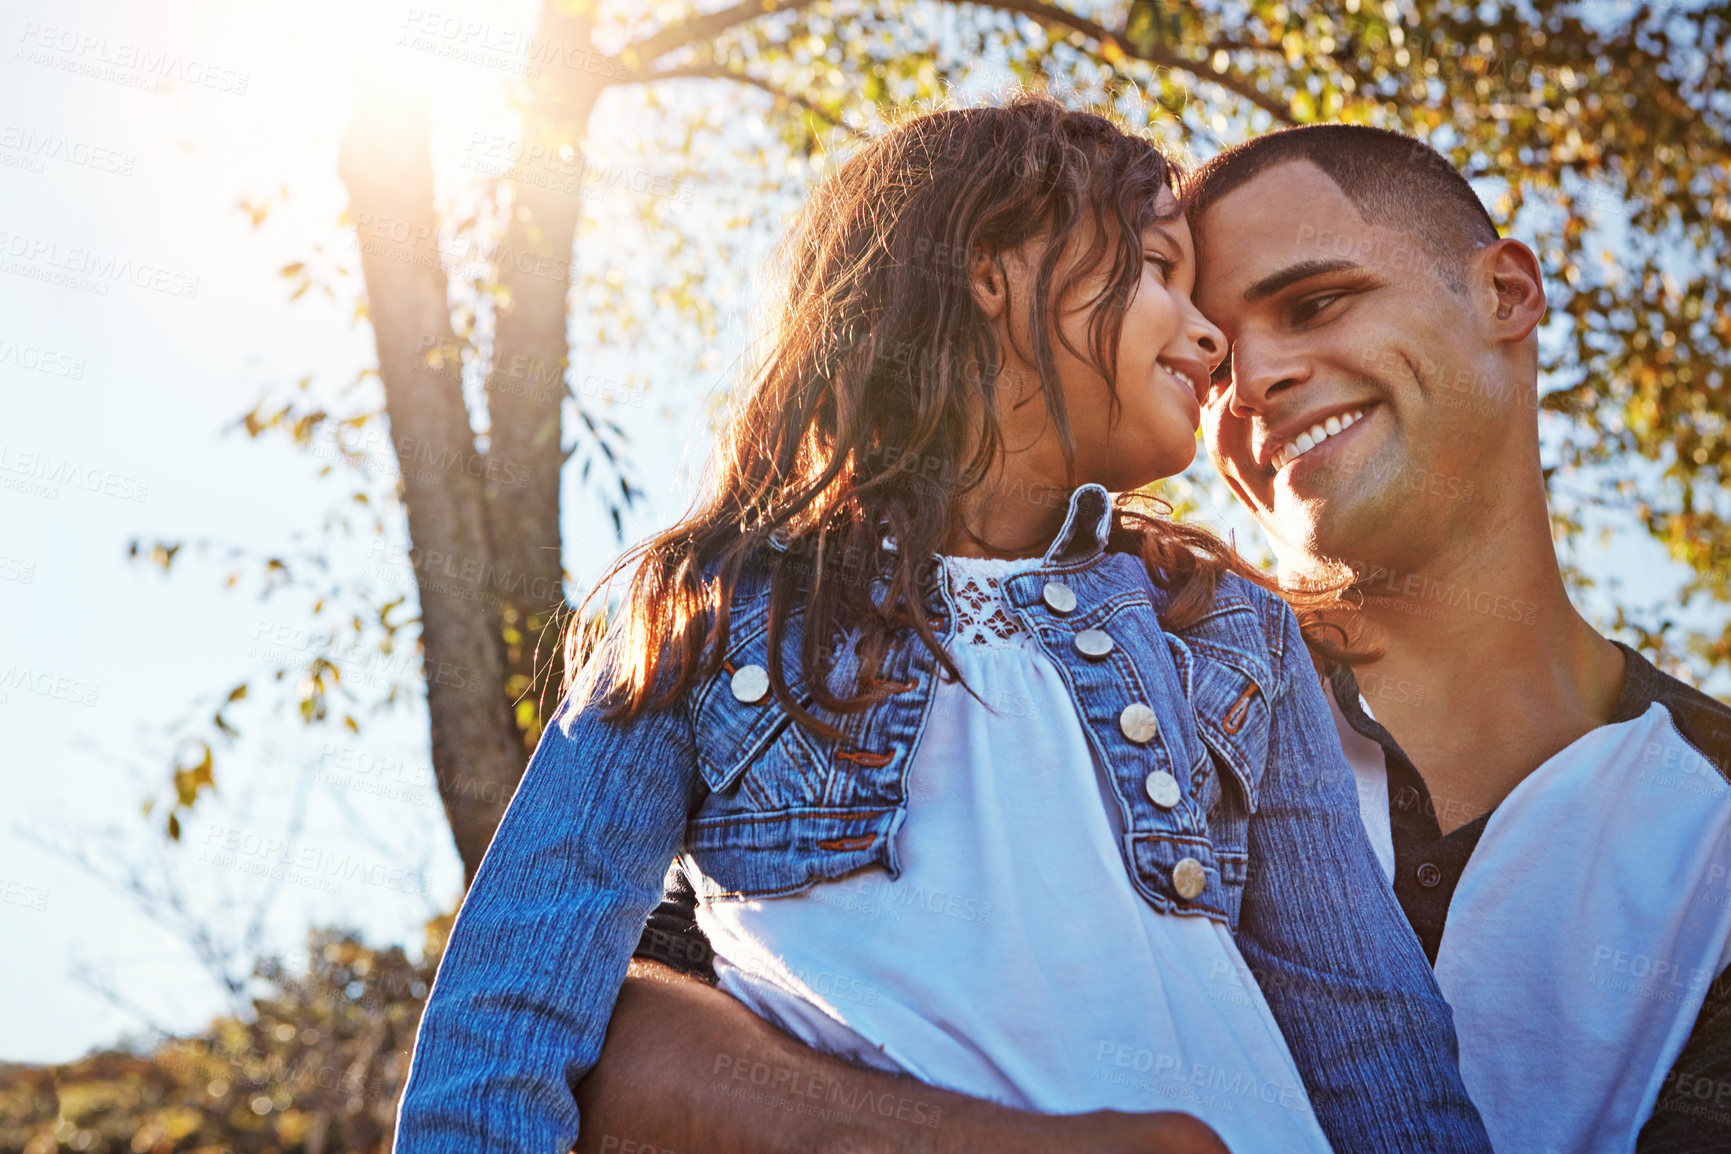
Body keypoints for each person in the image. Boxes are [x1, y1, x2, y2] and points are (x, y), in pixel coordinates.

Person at [577, 125, 1731, 1153]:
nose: (1252, 374)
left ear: (1508, 292)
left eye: (1318, 301)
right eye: (1210, 350)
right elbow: (608, 1016)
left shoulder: (1709, 811)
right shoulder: (1086, 667)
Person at [392, 98, 1493, 1154]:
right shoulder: (707, 609)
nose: (1212, 337)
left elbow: (1369, 1030)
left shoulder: (1226, 629)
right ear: (990, 269)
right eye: (1159, 269)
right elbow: (510, 1022)